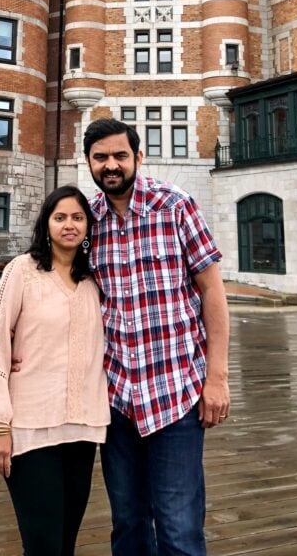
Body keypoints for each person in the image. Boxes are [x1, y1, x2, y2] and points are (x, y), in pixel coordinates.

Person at [83, 117, 230, 556]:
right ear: (89, 162)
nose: (111, 165)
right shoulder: (88, 219)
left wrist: (217, 378)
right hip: (115, 398)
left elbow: (212, 291)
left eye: (119, 156)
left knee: (179, 527)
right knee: (127, 523)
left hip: (175, 393)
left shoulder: (175, 205)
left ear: (137, 158)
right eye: (101, 157)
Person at [0, 184, 110, 556]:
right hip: (29, 428)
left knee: (65, 542)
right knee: (43, 545)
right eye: (60, 217)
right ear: (46, 223)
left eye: (78, 217)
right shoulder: (22, 271)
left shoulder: (94, 281)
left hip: (83, 429)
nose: (69, 225)